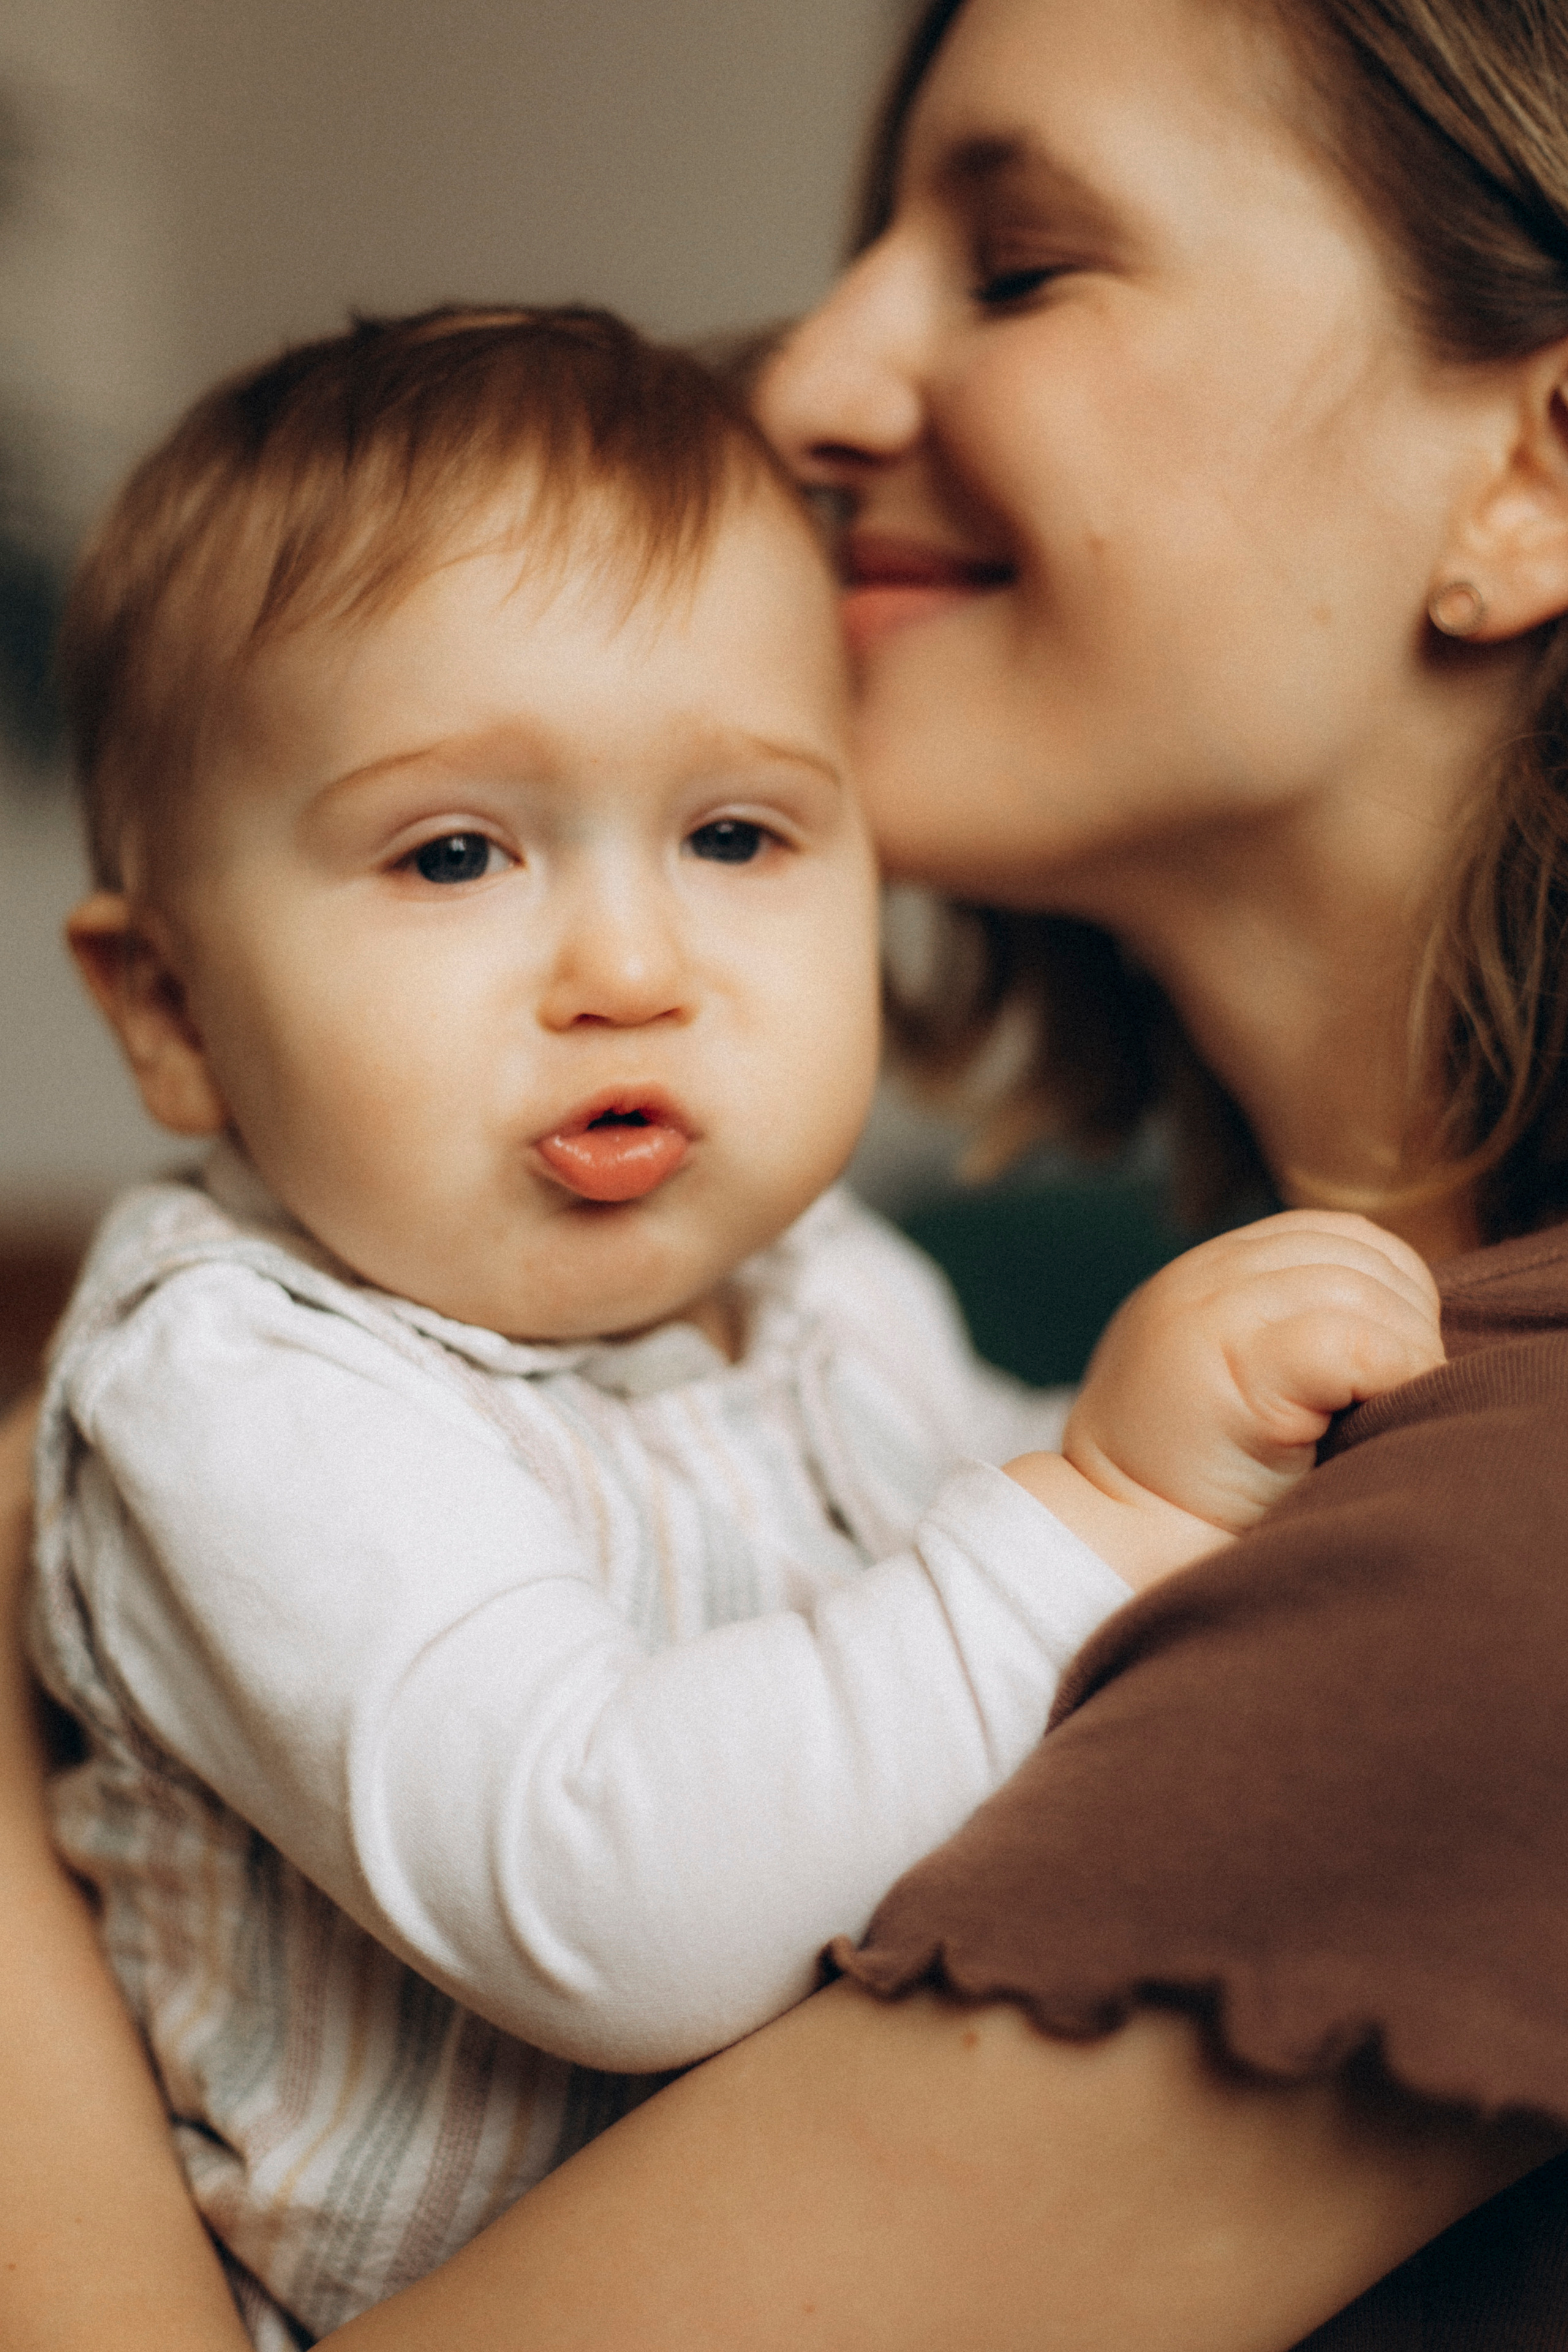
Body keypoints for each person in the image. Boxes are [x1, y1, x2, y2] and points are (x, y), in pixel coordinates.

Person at [4, 0, 1568, 2342]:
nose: (810, 380)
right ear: (165, 1008)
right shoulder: (845, 1286)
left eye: (1022, 262)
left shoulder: (1490, 1520)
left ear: (1536, 472)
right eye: (449, 852)